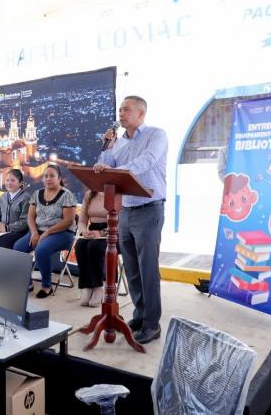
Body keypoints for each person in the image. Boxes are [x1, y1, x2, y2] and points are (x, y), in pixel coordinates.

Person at [93, 95, 167, 345]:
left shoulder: (157, 135)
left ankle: (152, 324)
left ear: (141, 113)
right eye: (120, 110)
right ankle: (139, 314)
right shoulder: (119, 142)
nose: (121, 114)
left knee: (148, 270)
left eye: (126, 110)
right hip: (125, 210)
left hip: (149, 209)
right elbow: (105, 166)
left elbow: (146, 162)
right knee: (132, 270)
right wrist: (106, 148)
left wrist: (119, 170)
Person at [13, 165, 76, 299]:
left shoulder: (67, 195)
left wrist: (47, 233)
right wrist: (35, 233)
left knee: (41, 250)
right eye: (46, 176)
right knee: (18, 247)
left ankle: (47, 286)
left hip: (62, 233)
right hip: (38, 231)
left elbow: (68, 221)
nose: (48, 179)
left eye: (52, 176)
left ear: (59, 178)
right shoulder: (37, 194)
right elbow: (30, 217)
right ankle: (27, 283)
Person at [75, 190, 108, 307]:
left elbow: (120, 222)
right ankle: (88, 285)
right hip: (92, 230)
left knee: (94, 246)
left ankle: (99, 286)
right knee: (80, 245)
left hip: (110, 232)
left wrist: (101, 233)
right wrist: (84, 232)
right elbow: (82, 220)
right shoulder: (89, 194)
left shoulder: (116, 193)